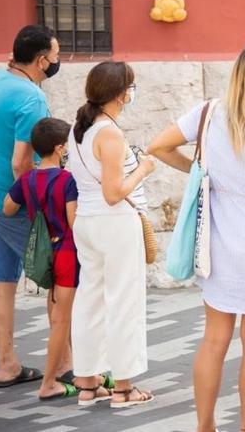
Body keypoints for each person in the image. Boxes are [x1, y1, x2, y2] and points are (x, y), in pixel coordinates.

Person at [148, 43, 245, 432]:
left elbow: (158, 146)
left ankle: (205, 426)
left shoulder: (209, 112)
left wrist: (200, 172)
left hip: (217, 239)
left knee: (214, 339)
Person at [0, 24, 59, 388]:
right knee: (58, 277)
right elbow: (22, 164)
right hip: (9, 201)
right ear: (40, 60)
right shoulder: (31, 98)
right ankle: (64, 365)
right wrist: (39, 213)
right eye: (55, 56)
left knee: (1, 277)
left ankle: (7, 364)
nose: (57, 62)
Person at [66, 61, 156, 407]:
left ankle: (86, 383)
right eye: (131, 87)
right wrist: (145, 169)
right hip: (114, 223)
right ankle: (123, 387)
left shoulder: (78, 131)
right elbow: (114, 192)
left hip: (88, 223)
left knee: (90, 300)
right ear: (121, 93)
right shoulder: (109, 133)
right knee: (124, 302)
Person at [3, 117, 80, 400]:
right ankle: (49, 383)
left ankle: (69, 368)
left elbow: (8, 208)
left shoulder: (28, 179)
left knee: (57, 311)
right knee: (62, 319)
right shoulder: (67, 179)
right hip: (67, 253)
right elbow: (73, 221)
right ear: (60, 148)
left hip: (44, 252)